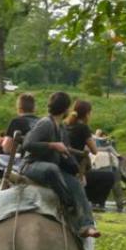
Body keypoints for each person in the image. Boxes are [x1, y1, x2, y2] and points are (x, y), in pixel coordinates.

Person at [21, 92, 100, 238]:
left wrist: (77, 172)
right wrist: (52, 145)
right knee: (52, 169)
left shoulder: (62, 129)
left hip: (54, 169)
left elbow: (66, 157)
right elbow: (27, 144)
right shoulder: (46, 123)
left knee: (76, 184)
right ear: (65, 109)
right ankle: (69, 204)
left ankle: (87, 225)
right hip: (32, 165)